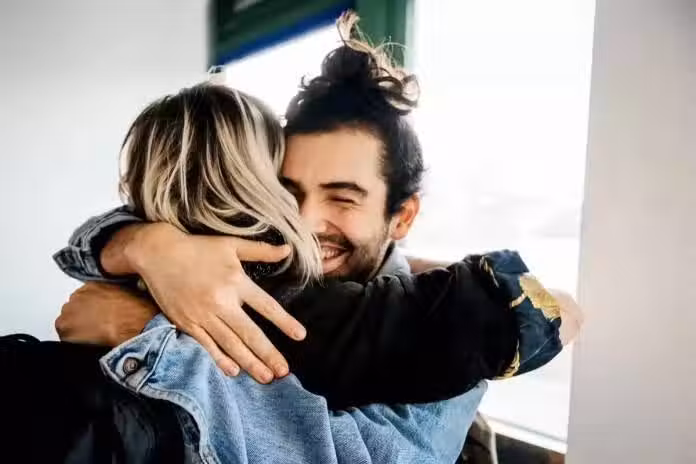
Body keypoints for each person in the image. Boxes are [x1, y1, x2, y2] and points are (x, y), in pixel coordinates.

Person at [50, 12, 582, 463]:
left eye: (342, 198)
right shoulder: (242, 263)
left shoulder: (437, 343)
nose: (303, 222)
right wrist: (146, 246)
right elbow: (95, 238)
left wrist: (153, 333)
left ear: (401, 218)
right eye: (287, 192)